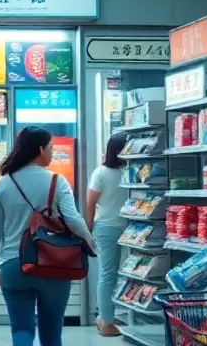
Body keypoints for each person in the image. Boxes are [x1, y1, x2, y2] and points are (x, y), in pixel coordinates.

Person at [0, 126, 95, 346]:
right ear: (40, 150)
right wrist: (90, 242)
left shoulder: (3, 183)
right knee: (52, 333)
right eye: (50, 148)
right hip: (53, 263)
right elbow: (73, 220)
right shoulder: (57, 182)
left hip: (13, 265)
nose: (52, 152)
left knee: (21, 328)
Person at [87, 134, 128, 337]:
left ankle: (108, 315)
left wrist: (89, 227)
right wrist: (88, 229)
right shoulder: (106, 172)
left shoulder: (105, 173)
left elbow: (91, 202)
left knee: (112, 273)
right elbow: (90, 203)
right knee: (109, 274)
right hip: (114, 228)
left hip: (113, 228)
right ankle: (106, 320)